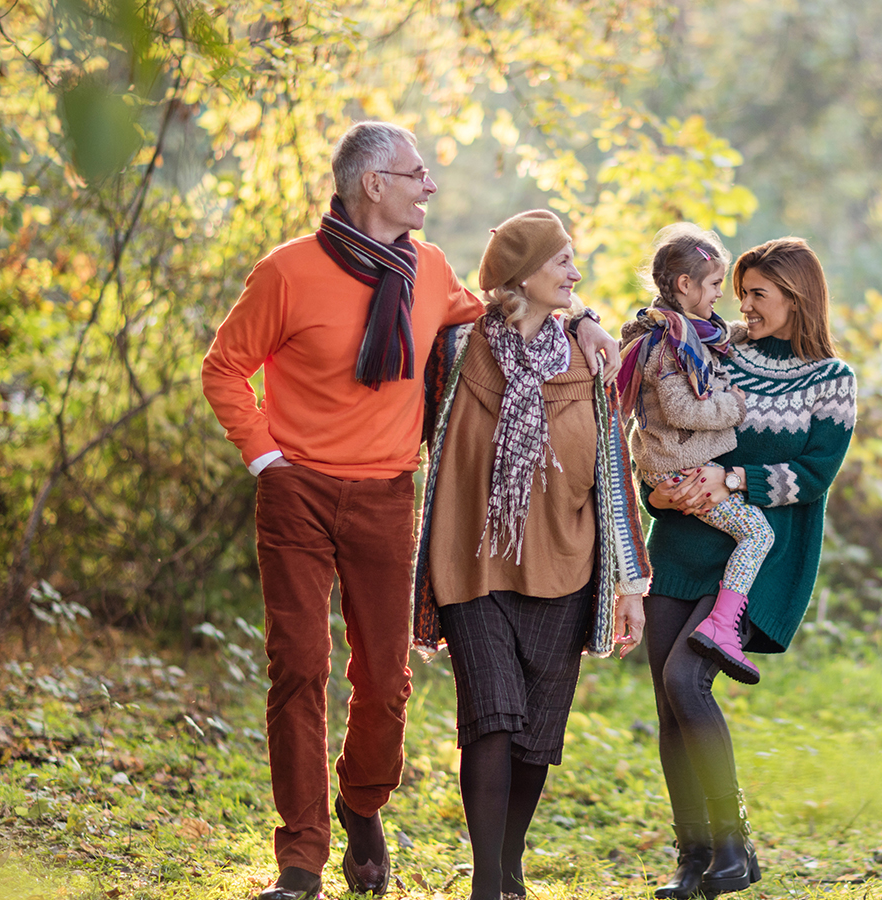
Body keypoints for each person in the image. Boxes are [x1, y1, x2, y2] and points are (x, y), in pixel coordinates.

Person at [201, 124, 622, 900]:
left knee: (385, 683)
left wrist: (585, 315)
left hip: (387, 496)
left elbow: (511, 308)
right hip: (295, 492)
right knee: (297, 669)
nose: (430, 187)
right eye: (417, 174)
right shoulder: (286, 272)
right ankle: (300, 864)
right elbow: (225, 366)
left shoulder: (428, 272)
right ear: (374, 186)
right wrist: (266, 457)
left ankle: (360, 803)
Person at [409, 208, 650, 900]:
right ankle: (488, 883)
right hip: (473, 565)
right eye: (561, 261)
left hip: (565, 567)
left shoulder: (589, 355)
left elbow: (613, 472)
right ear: (521, 276)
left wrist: (629, 581)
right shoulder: (456, 352)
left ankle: (509, 865)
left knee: (536, 739)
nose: (575, 271)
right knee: (491, 717)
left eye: (574, 259)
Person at [641, 237, 857, 899]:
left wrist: (730, 476)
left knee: (687, 680)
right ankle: (692, 855)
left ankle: (731, 847)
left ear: (796, 297)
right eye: (740, 292)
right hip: (679, 541)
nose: (744, 305)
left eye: (759, 294)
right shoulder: (714, 347)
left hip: (757, 555)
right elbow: (662, 409)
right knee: (670, 703)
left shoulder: (832, 379)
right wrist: (658, 486)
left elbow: (814, 475)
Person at [618, 223, 774, 685]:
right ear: (685, 285)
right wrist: (736, 405)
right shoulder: (669, 346)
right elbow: (682, 407)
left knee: (753, 533)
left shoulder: (687, 334)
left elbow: (724, 339)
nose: (720, 296)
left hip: (674, 464)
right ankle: (723, 626)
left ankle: (722, 623)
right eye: (713, 286)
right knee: (757, 535)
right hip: (681, 469)